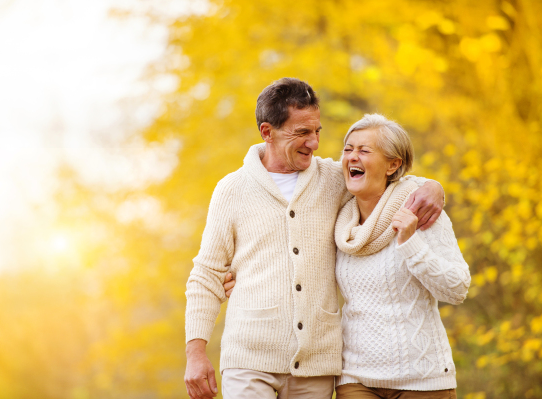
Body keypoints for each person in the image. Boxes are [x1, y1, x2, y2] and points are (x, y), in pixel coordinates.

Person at [185, 78, 445, 399]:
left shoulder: (332, 178)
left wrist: (433, 187)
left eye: (317, 131)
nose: (314, 143)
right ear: (267, 132)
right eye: (302, 133)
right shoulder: (232, 190)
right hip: (249, 359)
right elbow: (207, 274)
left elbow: (387, 177)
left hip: (317, 366)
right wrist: (196, 353)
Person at [224, 113, 470, 399]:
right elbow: (299, 261)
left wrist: (411, 242)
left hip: (422, 379)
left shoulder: (420, 214)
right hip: (355, 379)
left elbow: (456, 288)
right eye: (348, 149)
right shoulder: (340, 221)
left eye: (364, 150)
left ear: (393, 164)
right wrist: (244, 281)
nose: (353, 157)